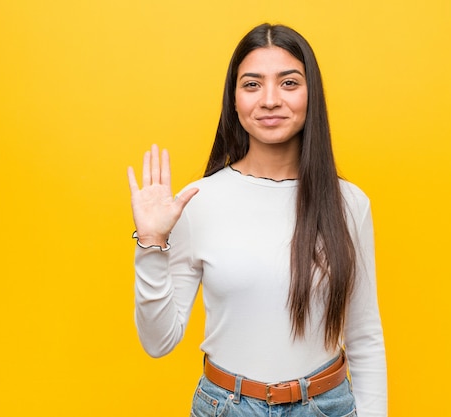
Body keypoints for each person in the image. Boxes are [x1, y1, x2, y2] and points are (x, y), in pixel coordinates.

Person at [127, 23, 387, 417]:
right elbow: (158, 341)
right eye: (251, 84)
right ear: (233, 100)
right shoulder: (197, 201)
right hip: (226, 407)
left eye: (288, 83)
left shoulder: (349, 203)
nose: (269, 100)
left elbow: (365, 338)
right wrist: (151, 243)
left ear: (311, 95)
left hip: (327, 406)